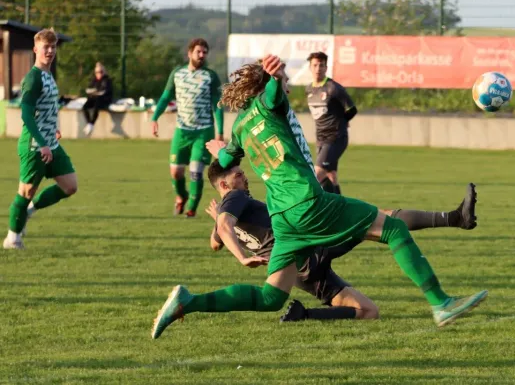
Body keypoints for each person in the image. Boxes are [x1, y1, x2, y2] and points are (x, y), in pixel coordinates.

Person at [151, 55, 487, 339]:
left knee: (271, 297)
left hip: (283, 220)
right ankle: (441, 303)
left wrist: (221, 151)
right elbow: (271, 95)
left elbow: (226, 162)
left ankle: (188, 302)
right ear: (265, 86)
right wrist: (272, 77)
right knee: (393, 228)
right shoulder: (270, 104)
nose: (284, 86)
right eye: (281, 82)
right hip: (310, 204)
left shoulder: (240, 127)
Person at [203, 159, 479, 322]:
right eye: (238, 175)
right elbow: (225, 228)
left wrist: (219, 222)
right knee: (379, 220)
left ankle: (303, 315)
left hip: (298, 273)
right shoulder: (235, 198)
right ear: (225, 185)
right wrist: (240, 254)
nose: (245, 177)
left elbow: (215, 244)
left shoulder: (230, 208)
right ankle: (454, 219)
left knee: (368, 311)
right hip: (306, 249)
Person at [3, 28, 78, 250]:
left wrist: (53, 129)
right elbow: (26, 114)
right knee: (25, 192)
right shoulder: (33, 77)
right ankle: (12, 238)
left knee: (70, 186)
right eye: (46, 47)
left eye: (53, 47)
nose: (50, 51)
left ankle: (29, 211)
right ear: (36, 49)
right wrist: (43, 143)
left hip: (50, 144)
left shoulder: (48, 75)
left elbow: (45, 109)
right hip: (34, 146)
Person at [150, 38, 224, 218]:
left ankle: (191, 208)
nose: (202, 55)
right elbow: (166, 97)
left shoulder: (210, 76)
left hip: (204, 130)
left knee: (196, 172)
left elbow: (218, 105)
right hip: (182, 131)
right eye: (198, 51)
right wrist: (155, 118)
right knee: (176, 172)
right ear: (189, 53)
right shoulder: (177, 74)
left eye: (205, 52)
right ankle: (181, 196)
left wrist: (220, 132)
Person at [305, 51, 356, 194]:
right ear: (310, 67)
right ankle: (341, 207)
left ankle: (303, 208)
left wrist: (343, 121)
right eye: (315, 65)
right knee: (330, 175)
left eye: (321, 65)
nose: (318, 69)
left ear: (326, 68)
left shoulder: (334, 88)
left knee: (316, 175)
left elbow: (352, 108)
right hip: (321, 138)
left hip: (335, 137)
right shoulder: (308, 89)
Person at [82, 62, 113, 136]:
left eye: (101, 72)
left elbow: (103, 92)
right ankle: (89, 123)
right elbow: (88, 89)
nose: (99, 74)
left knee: (97, 104)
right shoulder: (94, 80)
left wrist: (95, 92)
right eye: (97, 72)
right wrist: (93, 92)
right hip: (94, 98)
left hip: (104, 99)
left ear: (104, 72)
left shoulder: (107, 80)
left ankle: (91, 124)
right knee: (85, 106)